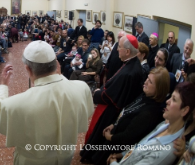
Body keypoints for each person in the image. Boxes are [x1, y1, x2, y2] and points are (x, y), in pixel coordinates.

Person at [0, 41, 94, 164]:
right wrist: (59, 76)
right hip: (65, 156)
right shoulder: (82, 88)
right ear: (55, 64)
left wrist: (3, 86)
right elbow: (87, 112)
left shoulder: (16, 104)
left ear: (28, 69)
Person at [84, 67, 169, 164]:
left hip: (118, 146)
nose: (145, 82)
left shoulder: (149, 113)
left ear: (159, 88)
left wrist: (109, 137)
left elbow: (128, 136)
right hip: (114, 135)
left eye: (150, 82)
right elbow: (127, 111)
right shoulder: (144, 95)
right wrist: (114, 125)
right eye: (147, 78)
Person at [81, 34, 144, 162]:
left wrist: (98, 93)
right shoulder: (130, 63)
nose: (116, 50)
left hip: (113, 111)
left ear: (127, 51)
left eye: (119, 47)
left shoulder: (130, 72)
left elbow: (112, 95)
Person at [108, 82, 195, 165]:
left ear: (184, 110)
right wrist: (122, 154)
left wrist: (113, 162)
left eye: (174, 99)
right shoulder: (164, 125)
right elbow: (141, 147)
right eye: (170, 97)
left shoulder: (167, 151)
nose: (167, 101)